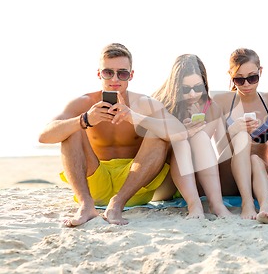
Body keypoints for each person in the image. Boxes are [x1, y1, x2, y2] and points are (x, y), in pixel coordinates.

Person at [39, 43, 187, 226]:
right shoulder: (85, 102)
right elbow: (44, 136)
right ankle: (86, 206)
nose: (115, 79)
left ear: (131, 76)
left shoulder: (144, 103)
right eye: (108, 72)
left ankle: (116, 204)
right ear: (99, 73)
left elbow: (180, 132)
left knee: (158, 133)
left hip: (134, 186)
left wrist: (135, 117)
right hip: (95, 183)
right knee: (71, 129)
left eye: (122, 73)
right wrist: (84, 120)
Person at [152, 54, 232, 219]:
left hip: (196, 179)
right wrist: (181, 130)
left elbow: (216, 149)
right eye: (186, 89)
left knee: (200, 137)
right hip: (166, 180)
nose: (193, 94)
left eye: (198, 87)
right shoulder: (161, 104)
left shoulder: (212, 108)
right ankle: (194, 205)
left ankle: (216, 204)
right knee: (181, 141)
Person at [213, 48, 268, 223]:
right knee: (242, 138)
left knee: (255, 159)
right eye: (239, 79)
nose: (246, 84)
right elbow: (217, 147)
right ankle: (247, 203)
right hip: (229, 172)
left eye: (252, 77)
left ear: (260, 72)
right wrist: (233, 130)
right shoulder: (222, 101)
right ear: (230, 75)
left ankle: (266, 206)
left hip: (260, 173)